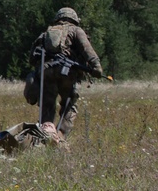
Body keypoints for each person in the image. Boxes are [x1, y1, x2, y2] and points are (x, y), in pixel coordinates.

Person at [29, 7, 104, 138]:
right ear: (74, 19)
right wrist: (96, 67)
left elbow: (32, 58)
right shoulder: (76, 30)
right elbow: (87, 50)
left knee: (47, 105)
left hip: (46, 72)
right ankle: (60, 137)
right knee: (69, 106)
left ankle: (46, 135)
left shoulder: (46, 33)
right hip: (67, 73)